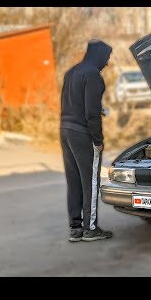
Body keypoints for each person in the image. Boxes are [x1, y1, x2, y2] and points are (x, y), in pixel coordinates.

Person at [60, 39, 113, 242]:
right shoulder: (93, 76)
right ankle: (90, 229)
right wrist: (98, 140)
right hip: (83, 133)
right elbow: (90, 113)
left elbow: (73, 102)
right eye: (106, 58)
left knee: (73, 180)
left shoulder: (71, 72)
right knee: (90, 181)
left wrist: (99, 110)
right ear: (98, 55)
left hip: (65, 130)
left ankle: (76, 229)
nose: (107, 63)